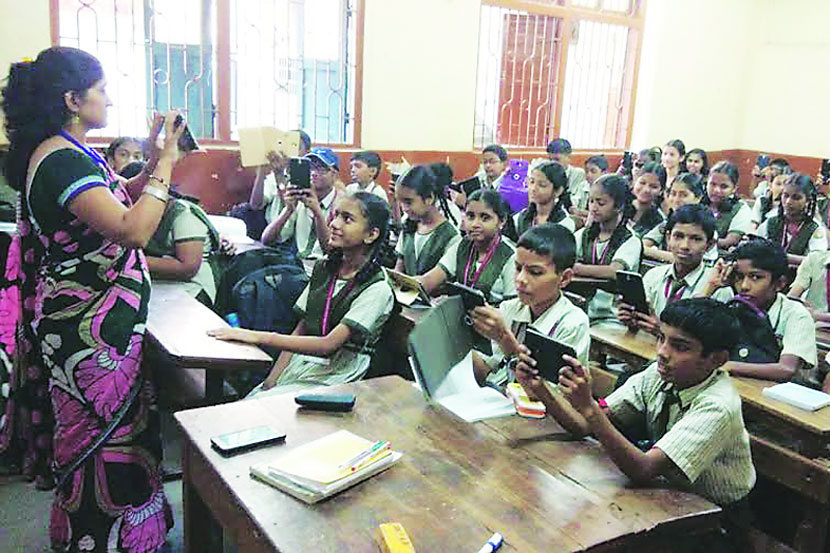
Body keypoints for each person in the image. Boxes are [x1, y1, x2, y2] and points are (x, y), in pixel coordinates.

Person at [1, 47, 179, 552]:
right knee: (103, 442)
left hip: (99, 325)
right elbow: (132, 228)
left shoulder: (71, 151)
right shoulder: (59, 160)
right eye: (101, 89)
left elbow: (119, 196)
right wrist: (167, 164)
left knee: (123, 434)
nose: (108, 98)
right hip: (87, 332)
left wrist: (152, 156)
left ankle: (129, 536)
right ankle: (101, 541)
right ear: (72, 100)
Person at [515, 298, 755, 551]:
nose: (663, 352)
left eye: (680, 347)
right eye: (661, 338)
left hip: (715, 522)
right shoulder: (657, 375)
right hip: (668, 495)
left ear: (716, 359)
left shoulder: (718, 405)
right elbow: (583, 426)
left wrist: (589, 408)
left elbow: (643, 468)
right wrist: (541, 390)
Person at [208, 192, 395, 395]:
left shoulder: (377, 287)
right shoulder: (326, 268)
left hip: (336, 376)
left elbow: (328, 345)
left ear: (371, 235)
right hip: (303, 363)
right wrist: (271, 380)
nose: (334, 224)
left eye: (347, 219)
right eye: (336, 215)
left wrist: (254, 336)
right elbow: (301, 328)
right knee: (257, 398)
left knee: (261, 406)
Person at [469, 224, 590, 390]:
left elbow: (548, 396)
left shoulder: (572, 324)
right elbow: (481, 371)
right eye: (518, 268)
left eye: (535, 272)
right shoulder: (509, 308)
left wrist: (506, 341)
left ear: (564, 278)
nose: (520, 279)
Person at [700, 239, 817, 382]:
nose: (744, 286)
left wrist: (726, 366)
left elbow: (786, 369)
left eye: (755, 277)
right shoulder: (728, 299)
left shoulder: (795, 314)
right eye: (739, 277)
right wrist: (711, 286)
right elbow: (686, 330)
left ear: (779, 283)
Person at [619, 205, 733, 334]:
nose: (684, 246)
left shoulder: (717, 287)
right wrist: (633, 320)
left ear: (709, 245)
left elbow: (713, 338)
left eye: (696, 239)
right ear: (668, 238)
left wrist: (661, 331)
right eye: (678, 236)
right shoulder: (653, 276)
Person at [420, 189, 517, 304]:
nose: (475, 224)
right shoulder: (463, 245)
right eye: (470, 216)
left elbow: (513, 308)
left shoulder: (511, 255)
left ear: (502, 221)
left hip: (495, 314)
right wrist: (408, 284)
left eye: (485, 218)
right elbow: (431, 279)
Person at [573, 174, 642, 322]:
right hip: (582, 309)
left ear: (619, 206)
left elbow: (614, 271)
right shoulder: (585, 234)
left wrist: (576, 268)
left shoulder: (631, 240)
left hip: (612, 316)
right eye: (591, 201)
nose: (593, 208)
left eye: (601, 203)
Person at [261, 147, 340, 275]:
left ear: (334, 175)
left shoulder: (340, 203)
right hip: (298, 266)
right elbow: (267, 240)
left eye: (321, 169)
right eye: (310, 168)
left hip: (326, 269)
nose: (314, 173)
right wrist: (288, 210)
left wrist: (317, 212)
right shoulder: (300, 199)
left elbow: (331, 252)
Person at [144, 190, 225, 306]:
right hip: (155, 282)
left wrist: (132, 261)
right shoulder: (140, 214)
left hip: (190, 287)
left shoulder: (184, 215)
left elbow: (187, 267)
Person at [394, 164, 460, 275]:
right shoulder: (409, 226)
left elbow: (436, 279)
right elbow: (398, 269)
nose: (404, 208)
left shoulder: (451, 236)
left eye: (408, 202)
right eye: (400, 202)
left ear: (429, 198)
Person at [643, 173, 717, 266]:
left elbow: (692, 259)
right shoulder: (666, 224)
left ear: (698, 197)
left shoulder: (707, 226)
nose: (676, 200)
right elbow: (642, 245)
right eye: (673, 194)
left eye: (683, 195)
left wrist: (653, 252)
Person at [756, 173, 827, 266]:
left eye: (796, 198)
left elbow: (817, 260)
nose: (788, 201)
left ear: (808, 201)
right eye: (785, 195)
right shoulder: (771, 222)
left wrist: (783, 257)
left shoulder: (814, 228)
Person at [511, 161, 575, 238]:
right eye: (532, 182)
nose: (533, 188)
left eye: (542, 185)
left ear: (558, 191)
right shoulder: (520, 218)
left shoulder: (564, 223)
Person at [703, 161, 752, 251]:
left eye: (724, 186)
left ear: (734, 188)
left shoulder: (741, 208)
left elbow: (730, 241)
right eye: (713, 184)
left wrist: (700, 243)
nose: (716, 190)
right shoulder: (698, 202)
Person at [452, 144, 509, 209]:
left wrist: (466, 204)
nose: (488, 165)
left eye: (492, 162)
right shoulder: (478, 179)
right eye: (485, 162)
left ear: (504, 164)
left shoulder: (508, 185)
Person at [789, 249, 830, 325]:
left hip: (816, 318)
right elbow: (792, 297)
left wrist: (819, 316)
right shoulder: (814, 259)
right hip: (813, 325)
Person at [547, 138, 587, 208]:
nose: (553, 163)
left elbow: (576, 202)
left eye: (557, 159)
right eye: (550, 160)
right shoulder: (545, 173)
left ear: (569, 157)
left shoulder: (577, 174)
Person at [630, 161, 667, 237]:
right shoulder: (619, 208)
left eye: (653, 187)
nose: (646, 190)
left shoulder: (660, 221)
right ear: (635, 182)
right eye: (642, 183)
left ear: (661, 191)